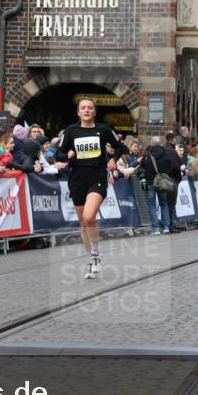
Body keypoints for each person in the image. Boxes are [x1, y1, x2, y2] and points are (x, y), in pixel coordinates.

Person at [54, 98, 128, 278]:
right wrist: (68, 154)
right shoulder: (71, 131)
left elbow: (120, 147)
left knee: (89, 217)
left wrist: (112, 159)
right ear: (78, 112)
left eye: (90, 108)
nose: (86, 110)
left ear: (95, 112)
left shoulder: (102, 130)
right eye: (83, 108)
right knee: (82, 222)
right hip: (77, 179)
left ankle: (95, 254)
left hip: (97, 176)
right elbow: (59, 153)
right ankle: (93, 257)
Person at [139, 136, 173, 234]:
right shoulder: (166, 154)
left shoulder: (147, 155)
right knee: (164, 203)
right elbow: (170, 167)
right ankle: (166, 227)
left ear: (151, 144)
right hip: (162, 182)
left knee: (151, 205)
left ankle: (155, 229)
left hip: (150, 183)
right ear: (160, 143)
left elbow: (142, 169)